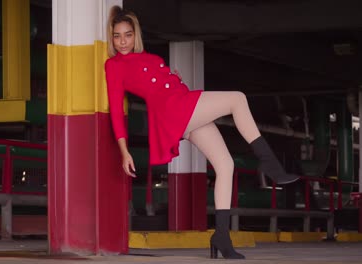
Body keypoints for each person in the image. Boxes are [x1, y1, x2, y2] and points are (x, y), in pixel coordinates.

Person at [105, 5, 299, 259]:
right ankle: (270, 164)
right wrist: (124, 150)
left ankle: (221, 236)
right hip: (173, 111)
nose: (122, 41)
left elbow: (161, 81)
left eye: (127, 34)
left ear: (135, 34)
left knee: (226, 165)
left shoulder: (150, 58)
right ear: (111, 37)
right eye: (117, 36)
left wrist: (172, 78)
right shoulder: (114, 66)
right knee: (237, 99)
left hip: (182, 104)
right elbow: (116, 110)